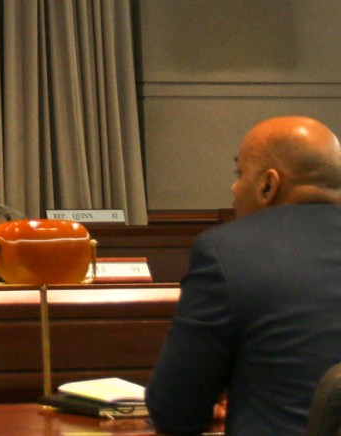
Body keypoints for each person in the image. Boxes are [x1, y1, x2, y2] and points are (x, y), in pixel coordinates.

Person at [146, 115, 341, 435]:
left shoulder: (227, 251)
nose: (234, 188)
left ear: (268, 184)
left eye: (240, 174)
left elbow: (174, 409)